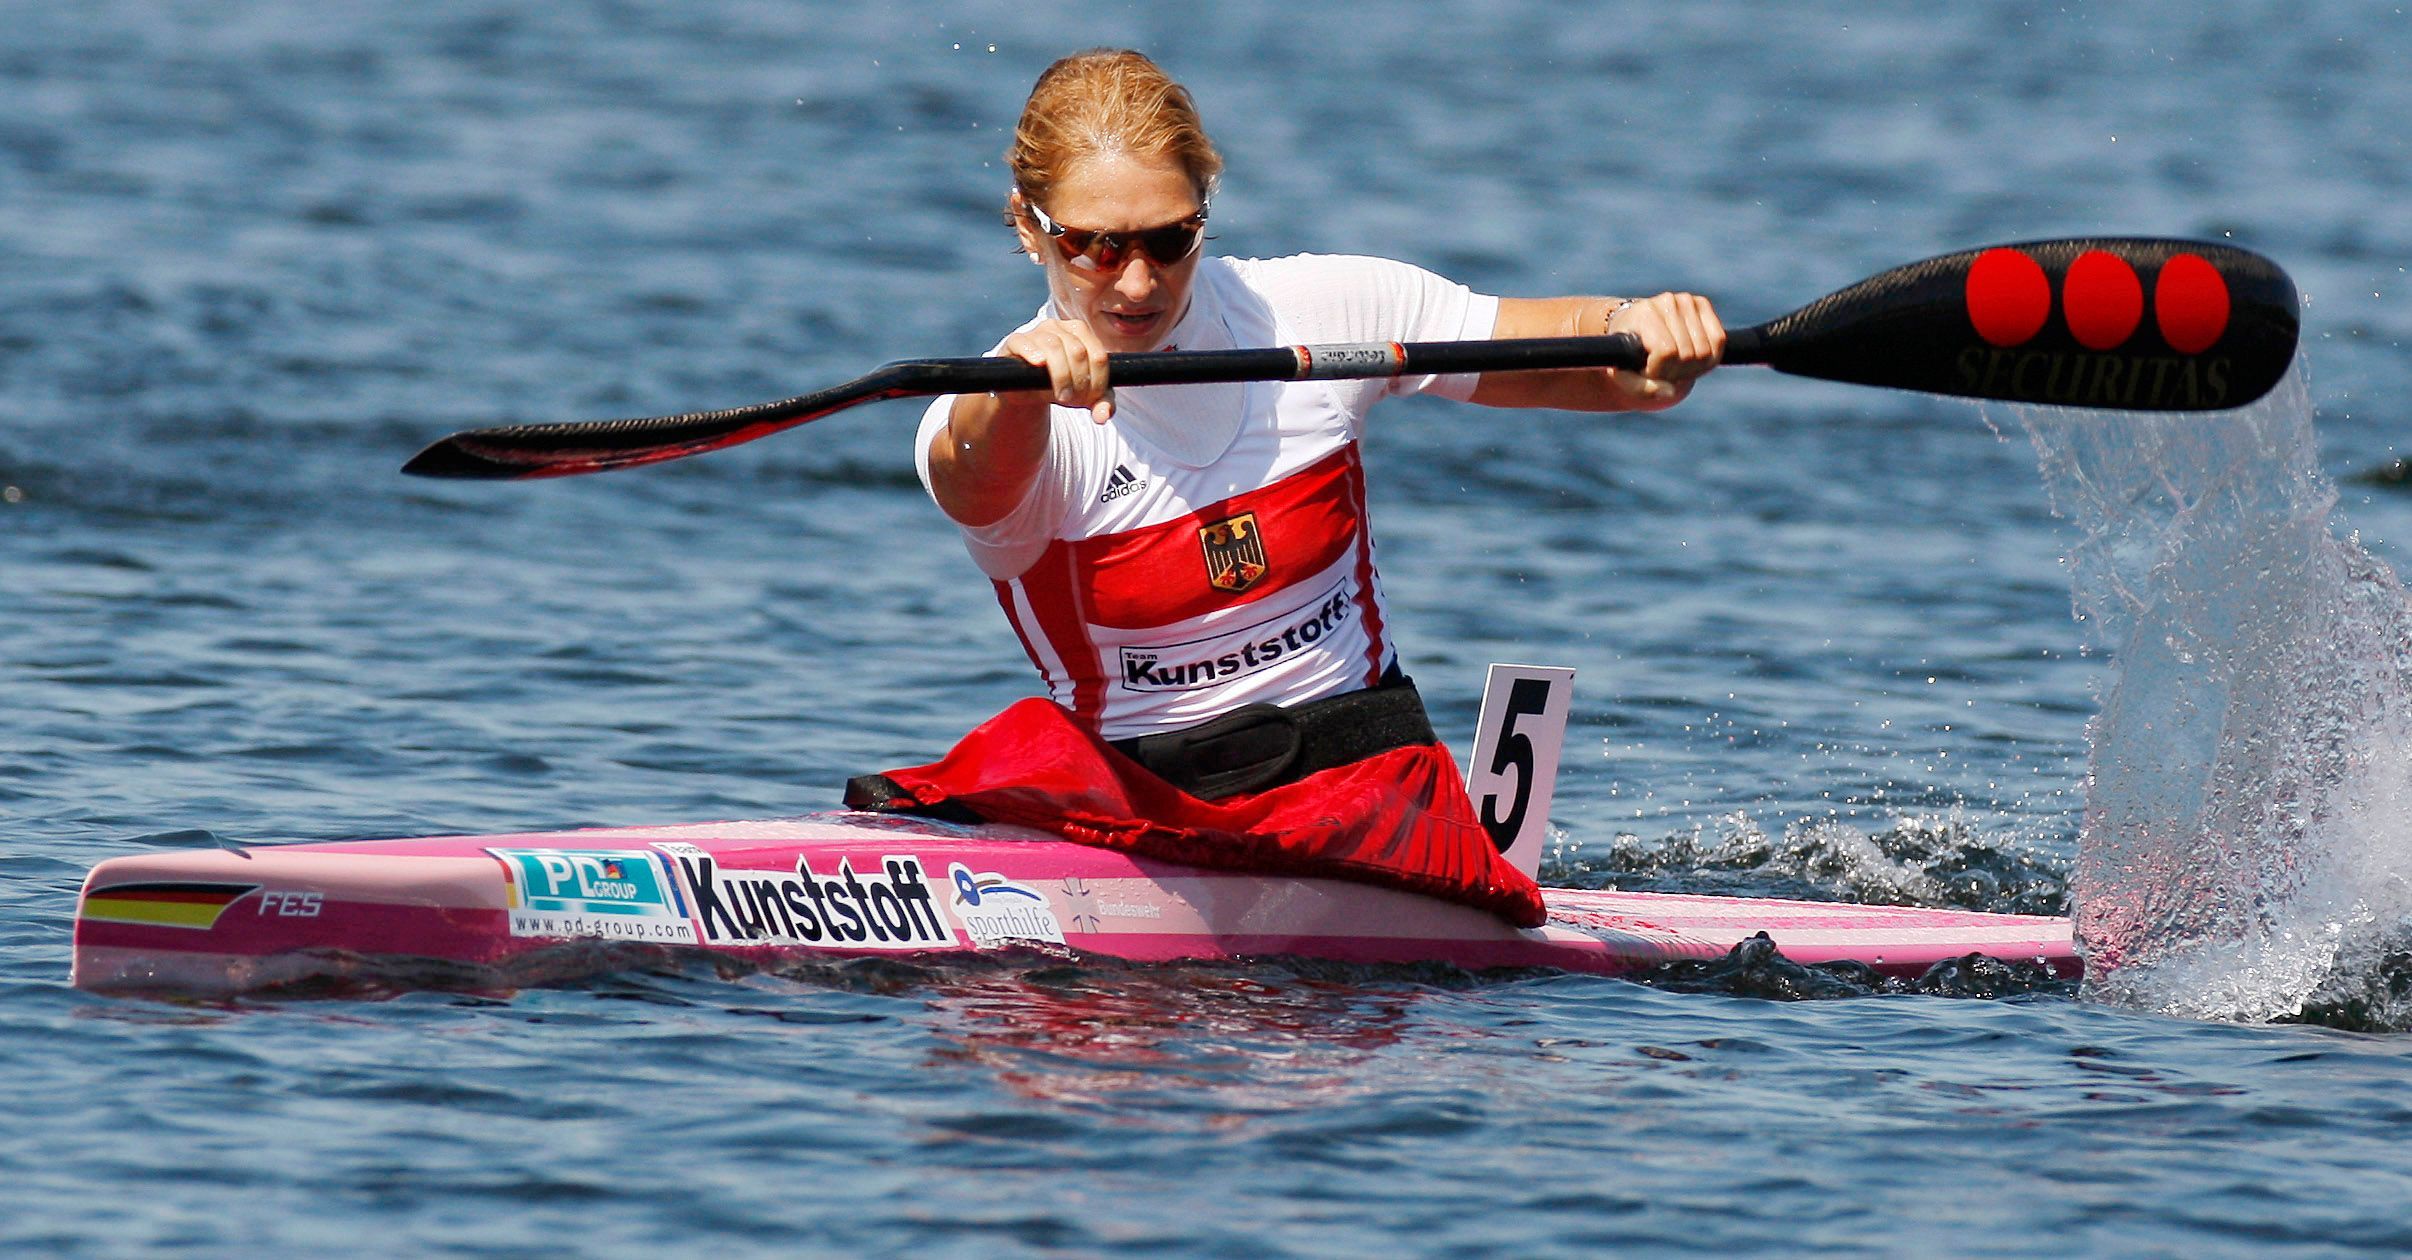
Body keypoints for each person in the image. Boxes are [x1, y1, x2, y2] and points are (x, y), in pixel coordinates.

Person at [847, 48, 1723, 927]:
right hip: (1141, 815)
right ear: (1029, 225)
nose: (1138, 281)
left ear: (1205, 213)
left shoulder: (1318, 312)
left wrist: (1634, 332)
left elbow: (1579, 356)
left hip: (1369, 797)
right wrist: (1014, 391)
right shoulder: (992, 409)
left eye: (1171, 239)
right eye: (1096, 247)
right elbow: (972, 474)